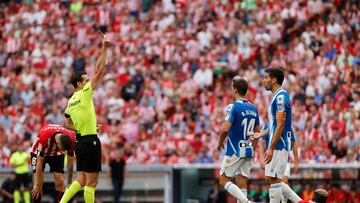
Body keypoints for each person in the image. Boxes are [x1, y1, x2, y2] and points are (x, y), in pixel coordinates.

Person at [60, 33, 111, 203]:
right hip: (90, 142)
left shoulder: (70, 102)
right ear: (80, 85)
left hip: (80, 142)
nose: (89, 81)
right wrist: (104, 48)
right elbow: (100, 71)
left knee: (80, 180)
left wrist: (85, 127)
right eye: (86, 80)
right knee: (92, 182)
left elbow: (68, 123)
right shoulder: (84, 94)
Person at [254, 67, 302, 203]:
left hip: (279, 144)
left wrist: (271, 147)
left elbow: (280, 125)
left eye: (266, 77)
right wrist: (260, 134)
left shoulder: (280, 97)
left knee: (274, 179)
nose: (264, 81)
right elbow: (273, 125)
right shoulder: (276, 96)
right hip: (276, 143)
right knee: (269, 179)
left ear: (274, 79)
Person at [216, 76, 261, 203]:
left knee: (223, 179)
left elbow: (225, 129)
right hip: (248, 149)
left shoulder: (233, 107)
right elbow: (257, 131)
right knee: (241, 181)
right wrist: (253, 148)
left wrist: (219, 143)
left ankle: (247, 202)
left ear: (235, 90)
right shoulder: (253, 108)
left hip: (235, 149)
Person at [30, 124, 76, 203]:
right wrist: (38, 185)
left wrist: (69, 183)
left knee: (60, 181)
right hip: (39, 152)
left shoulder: (71, 137)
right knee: (37, 184)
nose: (65, 151)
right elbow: (39, 163)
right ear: (57, 143)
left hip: (56, 153)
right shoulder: (44, 137)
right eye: (63, 149)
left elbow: (70, 163)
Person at [257, 123, 299, 203]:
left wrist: (296, 162)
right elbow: (262, 143)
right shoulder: (267, 126)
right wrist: (261, 159)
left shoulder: (288, 126)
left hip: (284, 158)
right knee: (270, 181)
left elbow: (294, 143)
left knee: (283, 180)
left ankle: (292, 201)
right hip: (270, 158)